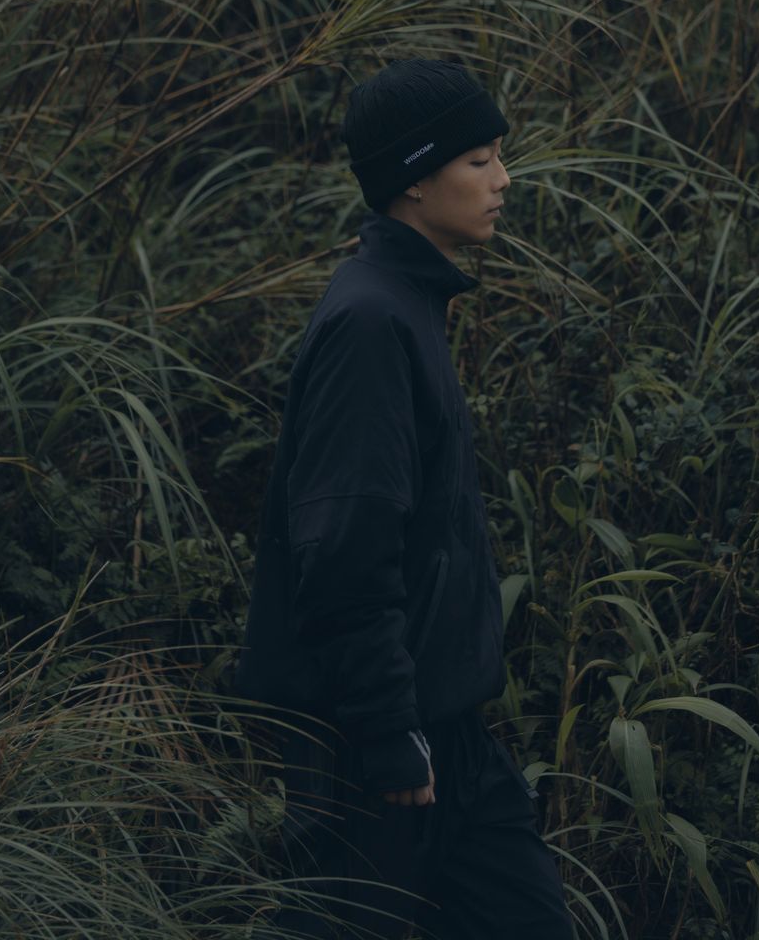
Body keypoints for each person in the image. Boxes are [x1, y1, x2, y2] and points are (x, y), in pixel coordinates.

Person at [235, 59, 574, 939]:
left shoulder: (408, 303)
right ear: (414, 179)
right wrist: (389, 730)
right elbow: (346, 547)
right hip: (373, 748)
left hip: (448, 734)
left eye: (498, 156)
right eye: (479, 160)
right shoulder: (371, 323)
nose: (503, 179)